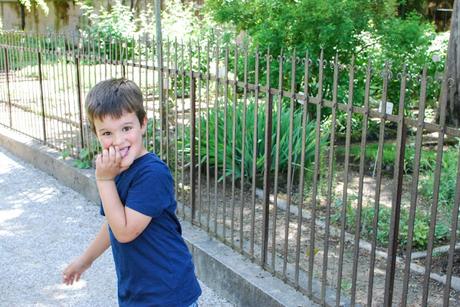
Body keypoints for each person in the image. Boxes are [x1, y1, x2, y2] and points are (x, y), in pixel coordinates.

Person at [62, 78, 202, 307]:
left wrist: (104, 179)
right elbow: (114, 224)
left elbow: (125, 232)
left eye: (126, 128)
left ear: (143, 123)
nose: (118, 141)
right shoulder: (117, 169)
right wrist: (85, 260)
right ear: (96, 134)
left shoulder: (152, 174)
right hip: (137, 293)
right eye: (106, 133)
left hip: (167, 294)